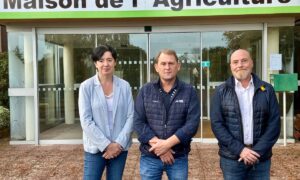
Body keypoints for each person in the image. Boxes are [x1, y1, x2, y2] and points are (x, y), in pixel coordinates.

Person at [210, 49, 281, 180]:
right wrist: (241, 150)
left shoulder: (267, 90)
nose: (240, 65)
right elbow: (217, 125)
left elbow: (274, 124)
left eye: (244, 61)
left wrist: (256, 152)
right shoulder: (221, 91)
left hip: (261, 158)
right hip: (232, 159)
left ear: (252, 63)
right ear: (231, 66)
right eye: (235, 62)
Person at [134, 49, 200, 180]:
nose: (167, 67)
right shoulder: (145, 90)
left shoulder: (189, 91)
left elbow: (192, 124)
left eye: (171, 63)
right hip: (150, 157)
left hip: (178, 157)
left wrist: (167, 144)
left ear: (178, 66)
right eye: (163, 63)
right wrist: (161, 147)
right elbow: (138, 122)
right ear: (156, 67)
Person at [78, 45, 134, 180]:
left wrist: (118, 144)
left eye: (109, 60)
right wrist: (106, 145)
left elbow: (131, 116)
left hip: (119, 148)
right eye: (101, 60)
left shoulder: (124, 86)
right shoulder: (86, 86)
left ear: (115, 62)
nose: (105, 64)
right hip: (95, 148)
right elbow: (86, 121)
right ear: (95, 63)